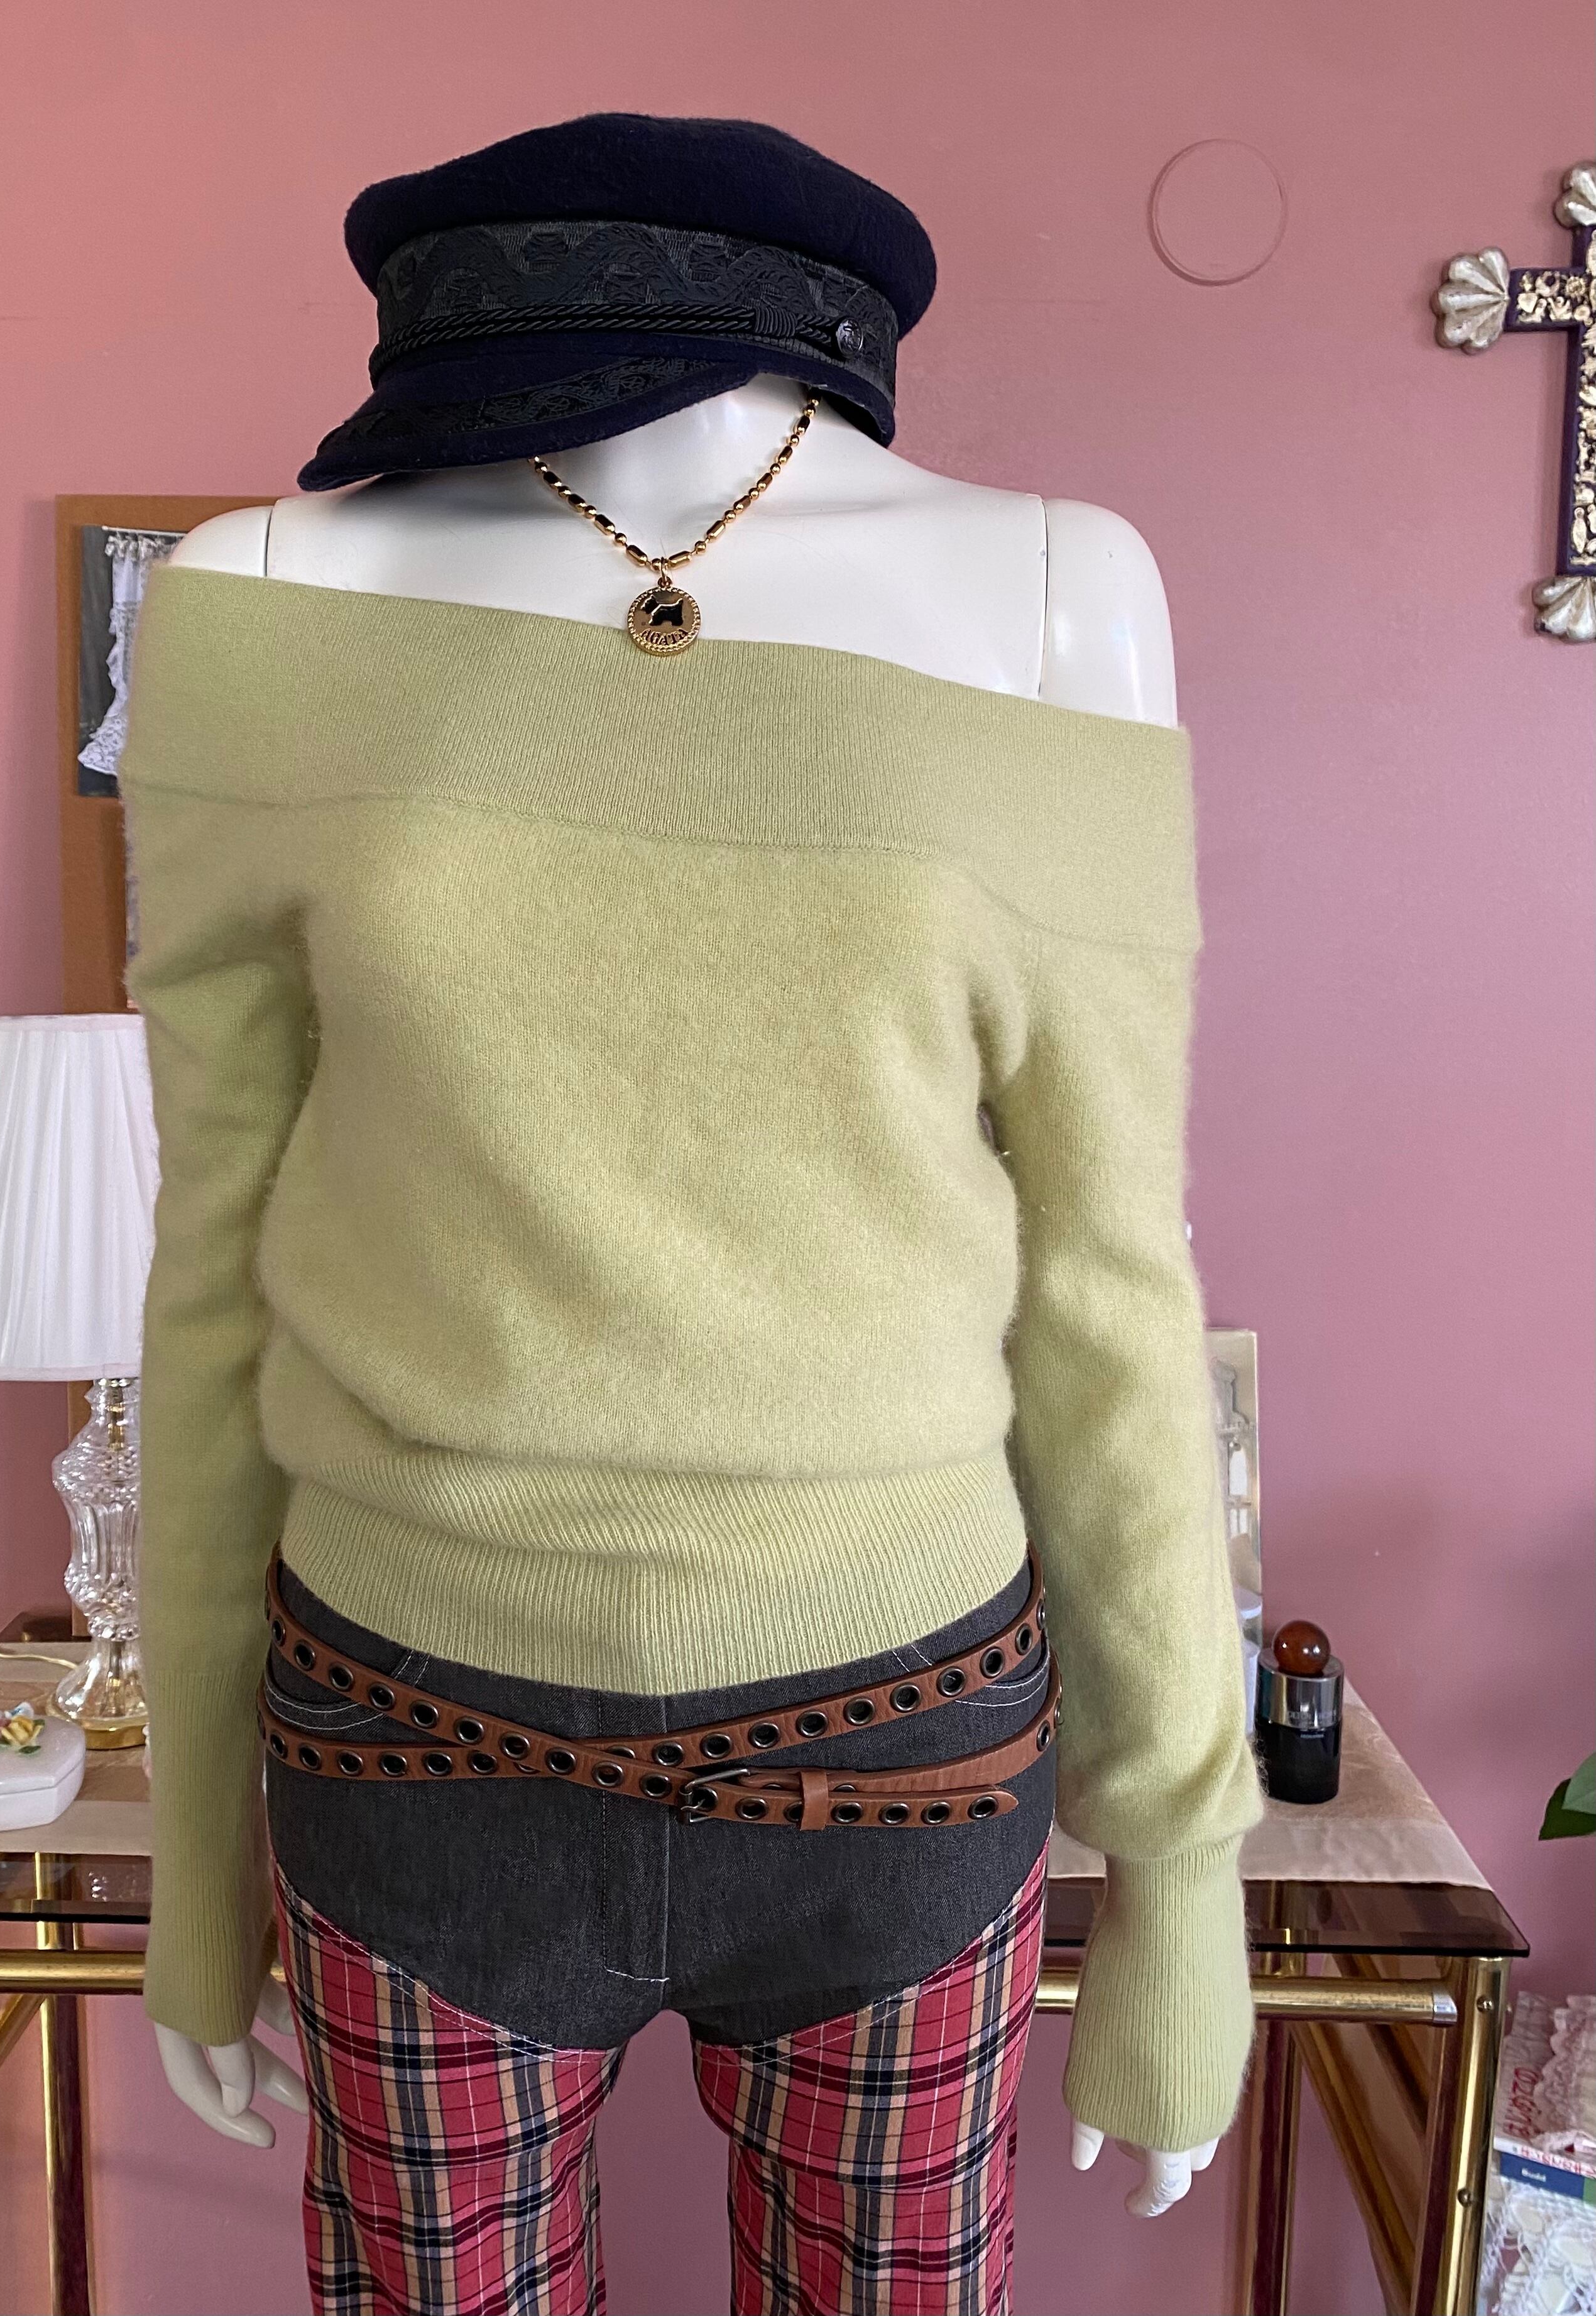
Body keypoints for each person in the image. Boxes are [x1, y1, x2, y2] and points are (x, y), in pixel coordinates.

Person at [120, 109, 1264, 2316]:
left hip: (905, 1740)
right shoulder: (263, 595)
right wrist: (191, 1860)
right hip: (412, 1736)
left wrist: (1183, 1872)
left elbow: (1113, 1278)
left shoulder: (1059, 589)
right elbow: (212, 1276)